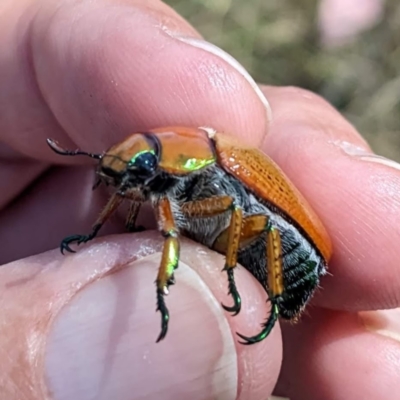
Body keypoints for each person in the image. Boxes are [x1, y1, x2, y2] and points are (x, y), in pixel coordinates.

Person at [1, 1, 399, 399]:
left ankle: (171, 291)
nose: (124, 183)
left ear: (174, 161)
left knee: (222, 218)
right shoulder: (159, 183)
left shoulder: (212, 164)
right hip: (240, 242)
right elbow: (126, 189)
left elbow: (231, 211)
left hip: (287, 252)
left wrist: (227, 273)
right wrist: (92, 230)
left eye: (139, 166)